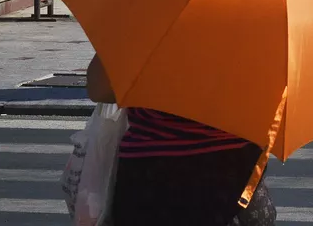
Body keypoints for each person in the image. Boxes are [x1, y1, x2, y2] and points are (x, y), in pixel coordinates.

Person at [86, 54, 277, 225]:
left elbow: (99, 89)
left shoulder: (149, 20)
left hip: (151, 177)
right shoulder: (264, 27)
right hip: (234, 178)